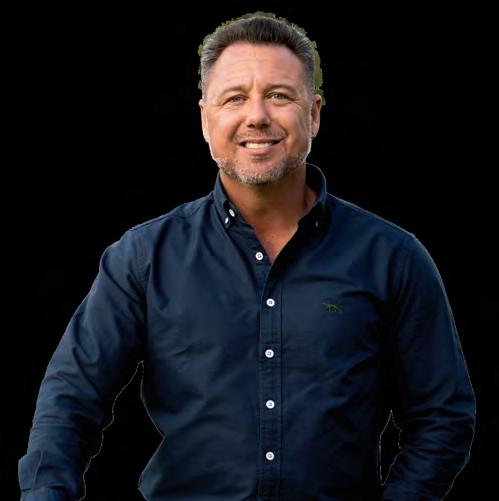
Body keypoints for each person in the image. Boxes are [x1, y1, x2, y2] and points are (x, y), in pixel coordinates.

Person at [19, 12, 475, 501]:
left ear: (314, 114)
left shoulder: (392, 257)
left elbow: (442, 417)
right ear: (205, 119)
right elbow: (71, 399)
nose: (256, 115)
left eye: (279, 95)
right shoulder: (143, 257)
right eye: (234, 98)